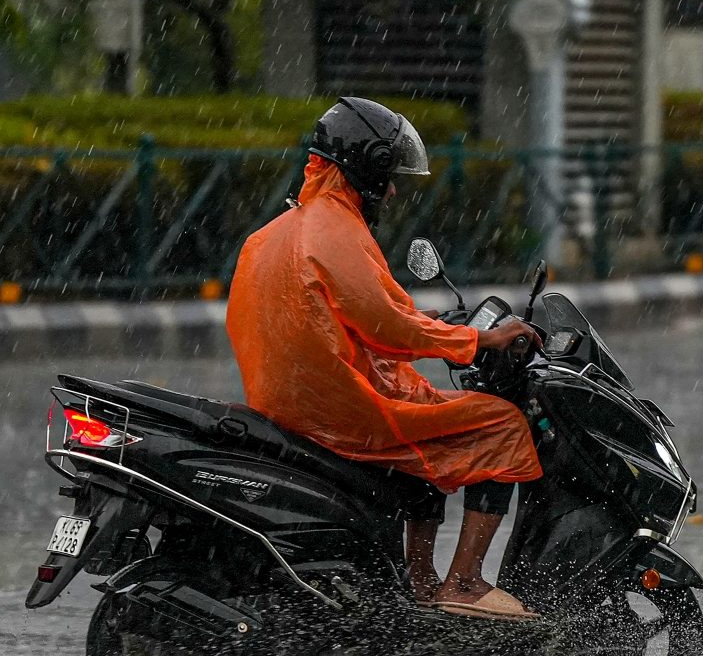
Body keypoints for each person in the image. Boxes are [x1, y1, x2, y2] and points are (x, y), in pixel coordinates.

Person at [226, 97, 543, 620]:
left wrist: (433, 328)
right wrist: (479, 341)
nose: (394, 189)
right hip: (338, 410)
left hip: (288, 402)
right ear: (367, 171)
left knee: (428, 410)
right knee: (501, 425)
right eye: (390, 176)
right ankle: (462, 582)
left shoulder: (274, 233)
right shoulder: (335, 232)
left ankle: (419, 580)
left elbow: (361, 316)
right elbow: (388, 326)